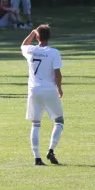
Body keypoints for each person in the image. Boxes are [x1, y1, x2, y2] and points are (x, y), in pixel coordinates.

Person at [21, 25, 64, 166]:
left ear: (38, 37)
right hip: (49, 90)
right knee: (59, 121)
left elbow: (23, 45)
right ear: (49, 37)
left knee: (36, 124)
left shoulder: (31, 50)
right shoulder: (54, 52)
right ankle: (51, 150)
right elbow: (57, 74)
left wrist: (32, 33)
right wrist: (59, 88)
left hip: (34, 91)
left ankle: (37, 158)